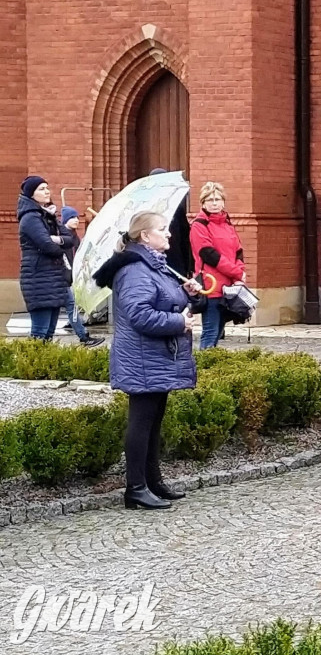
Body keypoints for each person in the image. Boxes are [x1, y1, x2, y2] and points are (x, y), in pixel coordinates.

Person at [93, 211, 203, 510]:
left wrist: (185, 292)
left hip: (157, 356)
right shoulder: (134, 269)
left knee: (154, 421)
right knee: (141, 422)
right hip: (142, 358)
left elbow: (161, 299)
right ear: (144, 236)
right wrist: (178, 322)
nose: (169, 234)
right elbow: (140, 315)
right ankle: (136, 488)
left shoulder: (154, 265)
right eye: (162, 229)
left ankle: (153, 482)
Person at [189, 181, 245, 349]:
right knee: (210, 332)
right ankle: (204, 370)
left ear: (223, 201)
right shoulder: (199, 225)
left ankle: (211, 367)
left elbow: (238, 250)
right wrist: (236, 272)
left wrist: (240, 272)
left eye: (217, 199)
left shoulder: (227, 223)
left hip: (228, 287)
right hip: (211, 286)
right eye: (209, 200)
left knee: (219, 330)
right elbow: (209, 255)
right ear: (203, 203)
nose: (214, 203)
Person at [17, 176, 73, 341]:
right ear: (31, 194)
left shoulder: (48, 215)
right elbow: (48, 247)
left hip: (53, 279)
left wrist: (57, 240)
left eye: (47, 187)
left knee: (48, 333)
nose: (47, 191)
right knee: (40, 333)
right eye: (41, 189)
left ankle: (43, 366)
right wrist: (57, 245)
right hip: (38, 279)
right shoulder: (30, 217)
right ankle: (31, 366)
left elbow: (69, 238)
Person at [59, 207, 104, 347]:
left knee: (69, 306)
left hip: (68, 277)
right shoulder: (63, 235)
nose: (76, 220)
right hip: (63, 277)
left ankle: (82, 335)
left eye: (77, 218)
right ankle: (83, 336)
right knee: (70, 306)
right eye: (73, 218)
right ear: (65, 220)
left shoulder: (73, 235)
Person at [149, 168, 193, 279]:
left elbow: (185, 237)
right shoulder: (146, 210)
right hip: (153, 262)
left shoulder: (176, 208)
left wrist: (189, 266)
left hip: (176, 260)